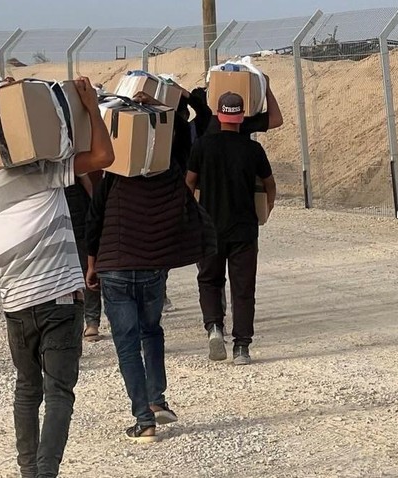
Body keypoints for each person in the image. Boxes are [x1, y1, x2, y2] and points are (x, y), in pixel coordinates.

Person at [0, 77, 114, 478]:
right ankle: (46, 473)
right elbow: (102, 156)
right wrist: (90, 106)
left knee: (26, 390)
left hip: (16, 306)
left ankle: (29, 471)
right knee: (59, 391)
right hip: (60, 299)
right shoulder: (42, 172)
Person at [85, 92, 216, 443]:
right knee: (151, 331)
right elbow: (179, 129)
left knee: (127, 343)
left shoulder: (113, 174)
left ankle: (144, 419)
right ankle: (157, 401)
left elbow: (94, 219)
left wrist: (92, 263)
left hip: (114, 266)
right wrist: (156, 107)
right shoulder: (170, 171)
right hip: (152, 268)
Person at [186, 92, 277, 366]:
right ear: (241, 116)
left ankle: (214, 327)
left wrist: (192, 214)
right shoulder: (253, 150)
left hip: (210, 228)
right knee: (243, 288)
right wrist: (266, 211)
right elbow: (270, 185)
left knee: (209, 280)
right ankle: (241, 347)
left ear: (218, 113)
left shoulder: (202, 146)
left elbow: (189, 183)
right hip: (244, 230)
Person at [65, 173, 104, 342]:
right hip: (69, 203)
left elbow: (83, 176)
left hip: (70, 205)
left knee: (84, 266)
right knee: (83, 266)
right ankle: (87, 322)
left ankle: (88, 321)